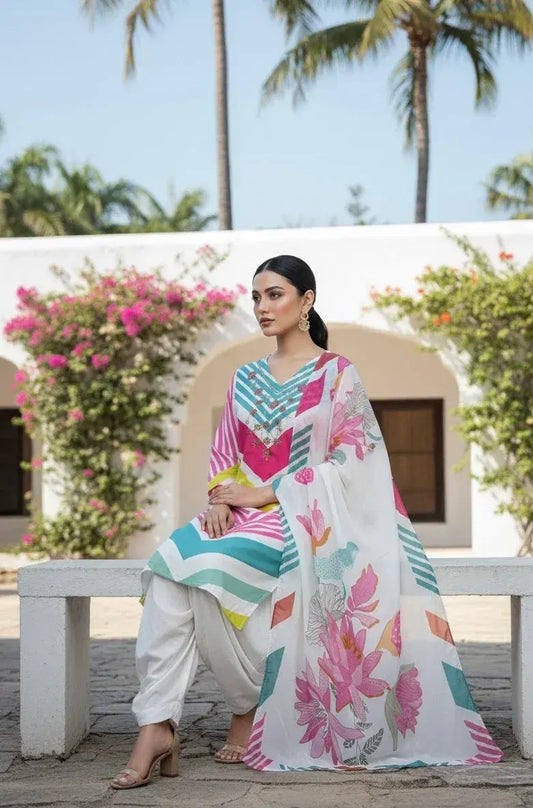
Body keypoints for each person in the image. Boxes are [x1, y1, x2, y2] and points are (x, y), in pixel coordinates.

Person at [111, 254, 503, 789]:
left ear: (306, 301)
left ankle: (246, 708)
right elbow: (225, 450)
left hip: (301, 519)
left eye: (274, 294)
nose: (262, 307)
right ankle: (157, 724)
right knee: (168, 571)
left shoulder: (336, 374)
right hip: (239, 516)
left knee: (204, 570)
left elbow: (355, 460)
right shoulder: (243, 377)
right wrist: (221, 497)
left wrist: (267, 490)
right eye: (255, 296)